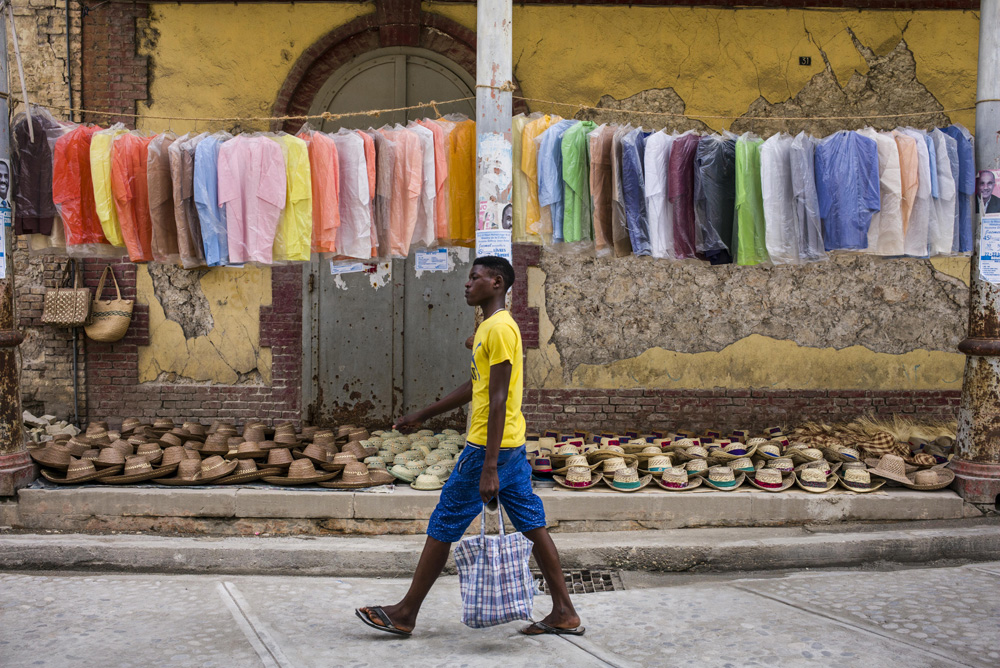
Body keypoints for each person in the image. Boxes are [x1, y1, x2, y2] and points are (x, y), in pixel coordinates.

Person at [355, 256, 583, 638]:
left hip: (487, 450)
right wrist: (424, 413)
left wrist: (489, 465)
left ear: (496, 283)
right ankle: (564, 611)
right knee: (532, 524)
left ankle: (405, 613)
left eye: (474, 278)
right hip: (510, 446)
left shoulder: (500, 330)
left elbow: (496, 401)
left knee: (444, 523)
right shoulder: (488, 329)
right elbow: (475, 387)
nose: (466, 283)